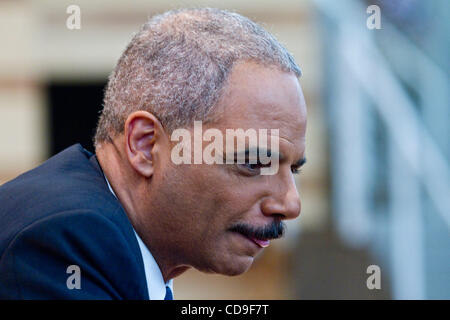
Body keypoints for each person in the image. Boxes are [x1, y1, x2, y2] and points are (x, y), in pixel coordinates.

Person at [0, 8, 307, 299]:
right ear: (145, 145)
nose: (290, 204)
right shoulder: (64, 239)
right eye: (254, 163)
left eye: (293, 169)